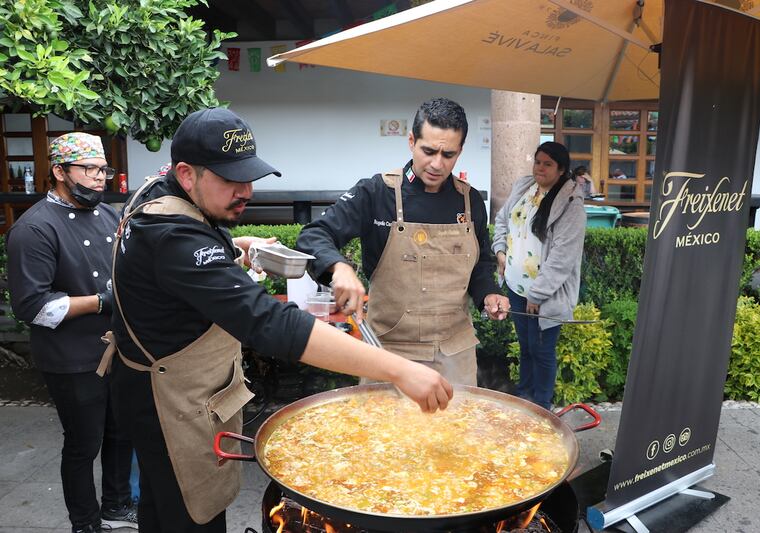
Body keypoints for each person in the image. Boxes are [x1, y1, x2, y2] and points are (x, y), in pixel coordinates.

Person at [102, 107, 452, 533]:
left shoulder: (159, 190)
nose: (245, 190)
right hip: (168, 403)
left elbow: (181, 255)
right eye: (231, 180)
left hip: (145, 385)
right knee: (192, 517)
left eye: (249, 177)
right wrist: (400, 370)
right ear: (187, 174)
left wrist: (231, 245)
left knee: (163, 509)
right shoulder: (173, 237)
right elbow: (270, 323)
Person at [296, 97, 509, 386]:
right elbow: (313, 234)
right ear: (411, 141)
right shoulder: (375, 192)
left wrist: (489, 294)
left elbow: (481, 264)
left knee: (456, 429)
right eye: (429, 151)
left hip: (455, 354)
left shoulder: (469, 201)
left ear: (460, 151)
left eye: (448, 155)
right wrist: (338, 267)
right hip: (389, 353)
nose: (437, 163)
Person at [6, 133, 137, 533]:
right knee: (84, 443)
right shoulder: (33, 229)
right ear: (60, 172)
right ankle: (85, 522)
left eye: (103, 170)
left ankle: (116, 506)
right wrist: (102, 301)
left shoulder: (109, 216)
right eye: (90, 170)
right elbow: (33, 308)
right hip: (71, 356)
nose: (101, 179)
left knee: (122, 432)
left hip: (118, 348)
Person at [492, 142, 586, 410]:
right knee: (525, 347)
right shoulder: (524, 188)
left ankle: (542, 407)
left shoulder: (570, 204)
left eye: (547, 164)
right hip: (515, 287)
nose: (540, 168)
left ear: (561, 170)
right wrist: (500, 251)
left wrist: (538, 294)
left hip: (545, 295)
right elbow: (502, 221)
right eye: (537, 162)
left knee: (542, 351)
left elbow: (563, 258)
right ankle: (525, 400)